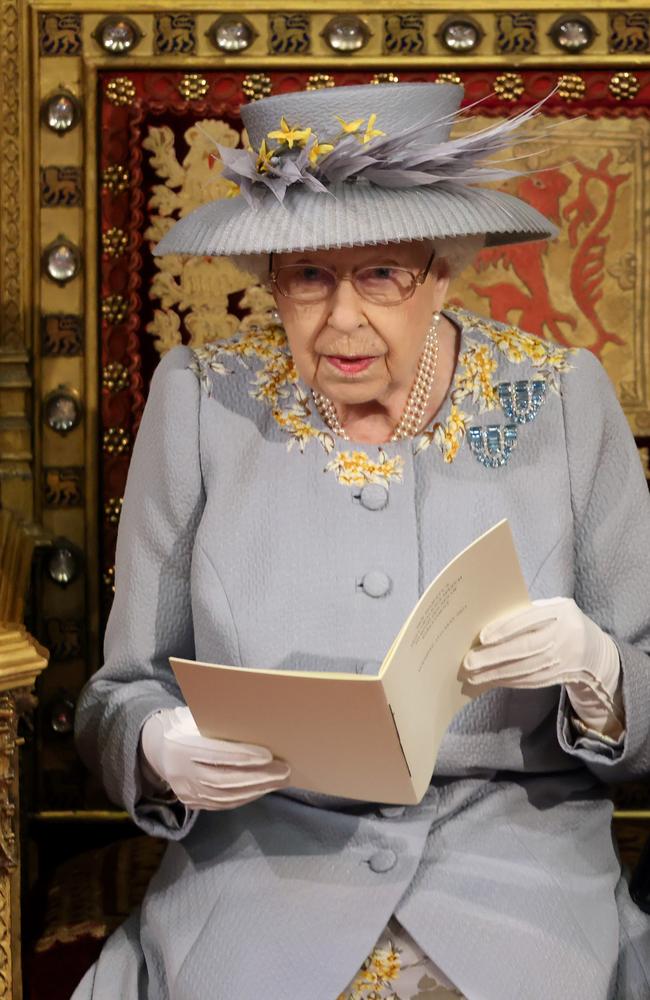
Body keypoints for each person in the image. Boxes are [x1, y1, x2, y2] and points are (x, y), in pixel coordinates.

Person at [72, 82, 650, 1000]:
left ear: (443, 270)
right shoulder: (200, 399)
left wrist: (599, 673)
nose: (342, 319)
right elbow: (118, 694)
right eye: (308, 276)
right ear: (273, 280)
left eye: (382, 274)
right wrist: (156, 747)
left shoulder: (560, 398)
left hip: (518, 876)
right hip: (263, 874)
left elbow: (647, 687)